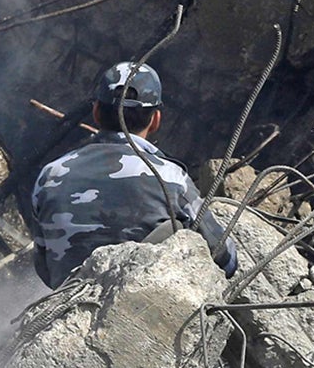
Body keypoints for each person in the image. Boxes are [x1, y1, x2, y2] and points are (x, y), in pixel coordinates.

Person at [29, 61, 239, 288]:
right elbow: (224, 259)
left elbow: (44, 266)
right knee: (178, 231)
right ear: (155, 119)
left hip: (67, 306)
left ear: (96, 112)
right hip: (146, 308)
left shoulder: (50, 174)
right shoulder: (170, 177)